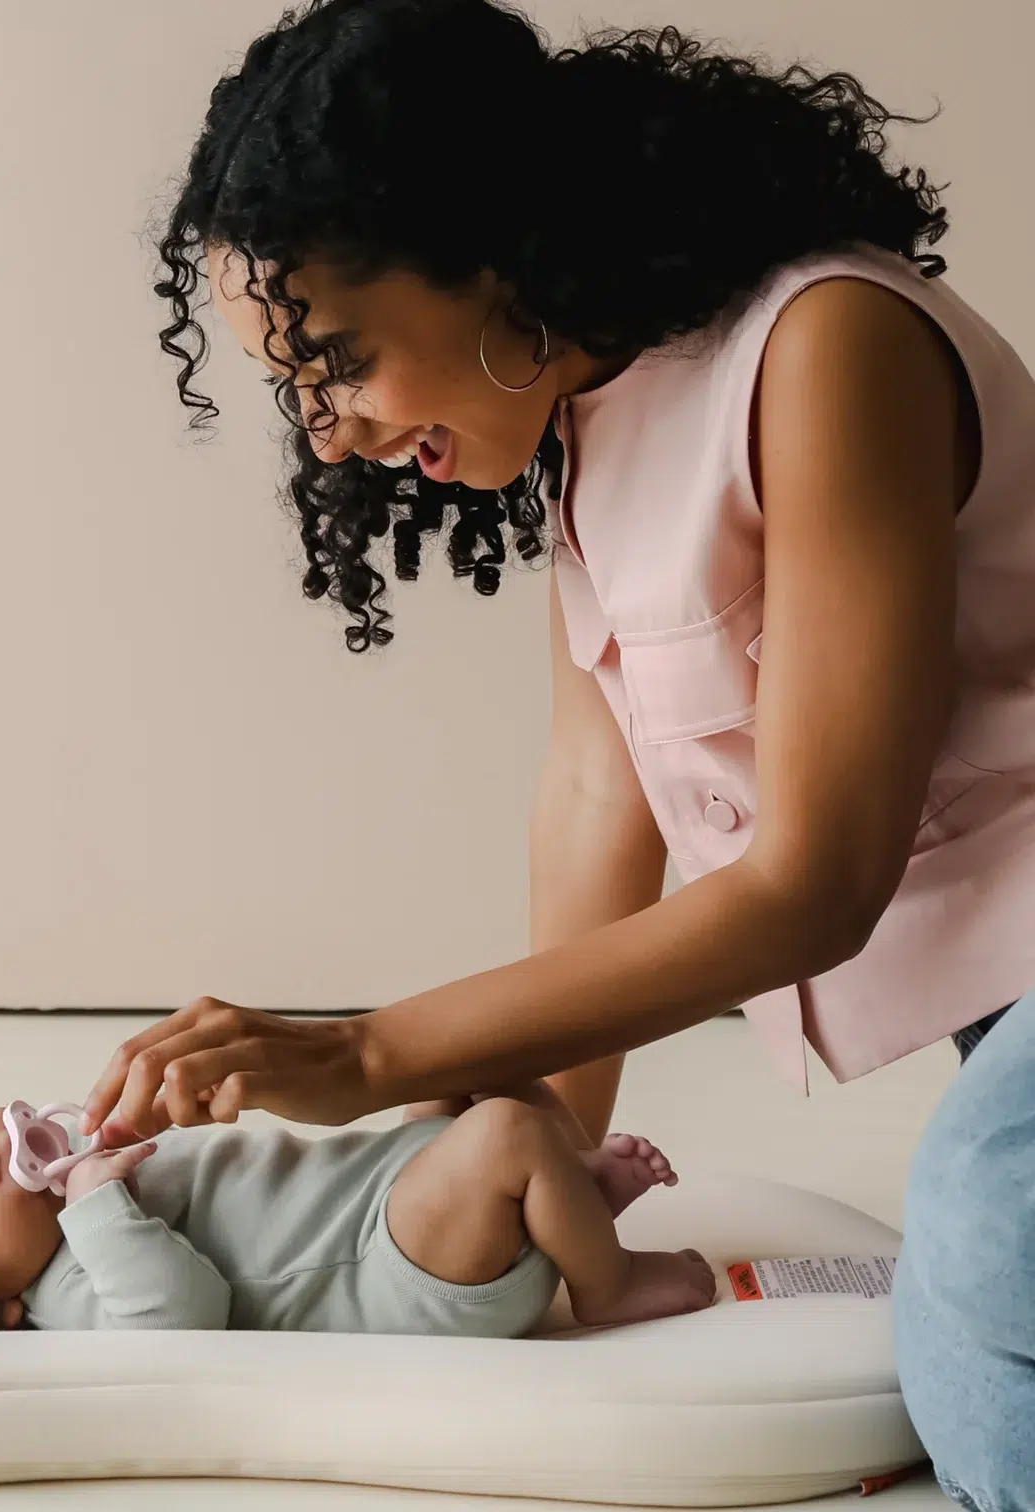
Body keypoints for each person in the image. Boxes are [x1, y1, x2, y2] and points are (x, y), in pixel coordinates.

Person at [76, 2, 1035, 1505]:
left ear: (492, 246)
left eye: (342, 356)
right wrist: (516, 1157)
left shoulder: (827, 348)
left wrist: (365, 1051)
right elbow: (597, 803)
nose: (329, 436)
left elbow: (814, 881)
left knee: (983, 1271)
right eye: (296, 388)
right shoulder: (587, 435)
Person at [0, 1086, 710, 1334]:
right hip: (397, 1268)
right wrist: (100, 1209)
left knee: (465, 1061)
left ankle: (569, 1191)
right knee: (507, 1131)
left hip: (376, 1183)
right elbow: (185, 1316)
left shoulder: (78, 1171)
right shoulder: (69, 1285)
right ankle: (604, 1281)